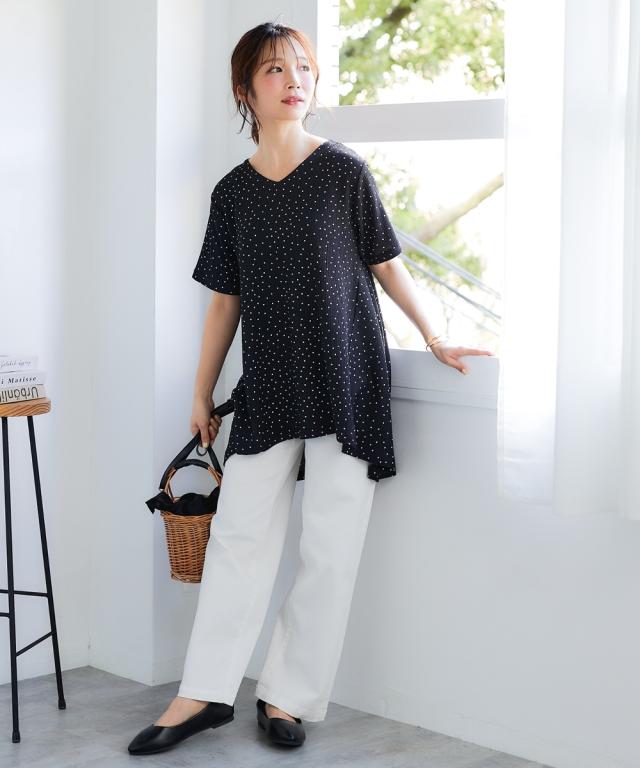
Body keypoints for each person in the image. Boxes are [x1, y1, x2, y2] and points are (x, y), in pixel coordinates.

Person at [128, 20, 494, 757]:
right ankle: (202, 694)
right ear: (245, 90)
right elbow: (225, 302)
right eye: (273, 69)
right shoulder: (233, 193)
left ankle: (287, 696)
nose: (293, 79)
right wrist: (201, 392)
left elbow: (387, 262)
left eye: (302, 66)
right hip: (268, 383)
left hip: (348, 376)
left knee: (330, 545)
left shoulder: (343, 171)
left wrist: (433, 336)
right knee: (238, 539)